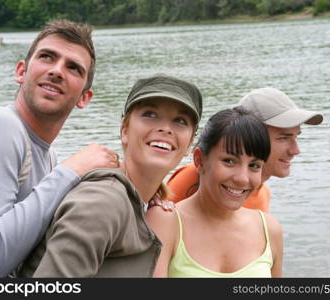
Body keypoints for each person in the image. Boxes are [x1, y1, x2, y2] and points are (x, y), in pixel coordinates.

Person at [0, 19, 120, 278]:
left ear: (84, 98)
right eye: (47, 57)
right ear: (21, 71)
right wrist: (69, 171)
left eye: (73, 68)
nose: (57, 71)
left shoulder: (47, 156)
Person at [18, 73, 203, 277]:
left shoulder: (143, 202)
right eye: (150, 114)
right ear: (124, 130)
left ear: (190, 144)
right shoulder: (102, 201)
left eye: (180, 121)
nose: (165, 128)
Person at [146, 107, 283, 277]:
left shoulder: (269, 229)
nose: (242, 178)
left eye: (254, 166)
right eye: (229, 161)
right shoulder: (165, 222)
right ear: (199, 160)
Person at [166, 87, 323, 212]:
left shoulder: (263, 195)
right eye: (283, 138)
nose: (295, 150)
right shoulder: (193, 178)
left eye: (296, 137)